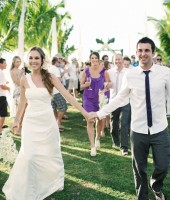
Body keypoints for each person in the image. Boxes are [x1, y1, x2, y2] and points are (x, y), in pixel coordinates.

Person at [89, 37, 170, 200]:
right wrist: (99, 113)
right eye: (140, 51)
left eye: (147, 50)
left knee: (163, 165)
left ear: (153, 53)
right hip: (138, 129)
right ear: (136, 53)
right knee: (139, 168)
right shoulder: (131, 74)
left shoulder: (164, 73)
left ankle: (156, 185)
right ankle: (142, 197)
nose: (143, 54)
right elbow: (120, 98)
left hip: (159, 129)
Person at [2, 46, 89, 200]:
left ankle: (52, 181)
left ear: (42, 60)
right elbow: (22, 102)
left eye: (36, 58)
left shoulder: (50, 77)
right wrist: (17, 121)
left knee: (50, 153)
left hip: (47, 122)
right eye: (31, 58)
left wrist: (85, 113)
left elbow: (68, 97)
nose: (33, 61)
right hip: (30, 122)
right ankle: (27, 185)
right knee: (28, 156)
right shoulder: (24, 79)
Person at [80, 52, 111, 157]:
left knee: (100, 120)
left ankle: (97, 138)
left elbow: (109, 84)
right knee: (90, 120)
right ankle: (92, 146)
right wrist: (86, 84)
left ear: (98, 60)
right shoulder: (86, 71)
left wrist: (105, 89)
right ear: (90, 59)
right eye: (92, 58)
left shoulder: (104, 72)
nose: (94, 60)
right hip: (88, 98)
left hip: (100, 99)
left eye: (96, 58)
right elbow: (81, 86)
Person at [0, 58, 10, 134]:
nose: (6, 64)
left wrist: (6, 82)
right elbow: (1, 86)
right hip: (1, 96)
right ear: (1, 64)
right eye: (5, 63)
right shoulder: (1, 73)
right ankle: (0, 129)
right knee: (3, 113)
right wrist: (8, 88)